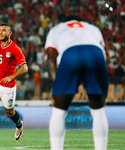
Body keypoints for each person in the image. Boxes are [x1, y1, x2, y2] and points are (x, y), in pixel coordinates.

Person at [45, 15, 109, 150]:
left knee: (59, 111)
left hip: (70, 53)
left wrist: (57, 88)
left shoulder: (57, 29)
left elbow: (51, 59)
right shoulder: (93, 28)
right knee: (99, 111)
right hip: (95, 53)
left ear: (64, 21)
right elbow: (102, 54)